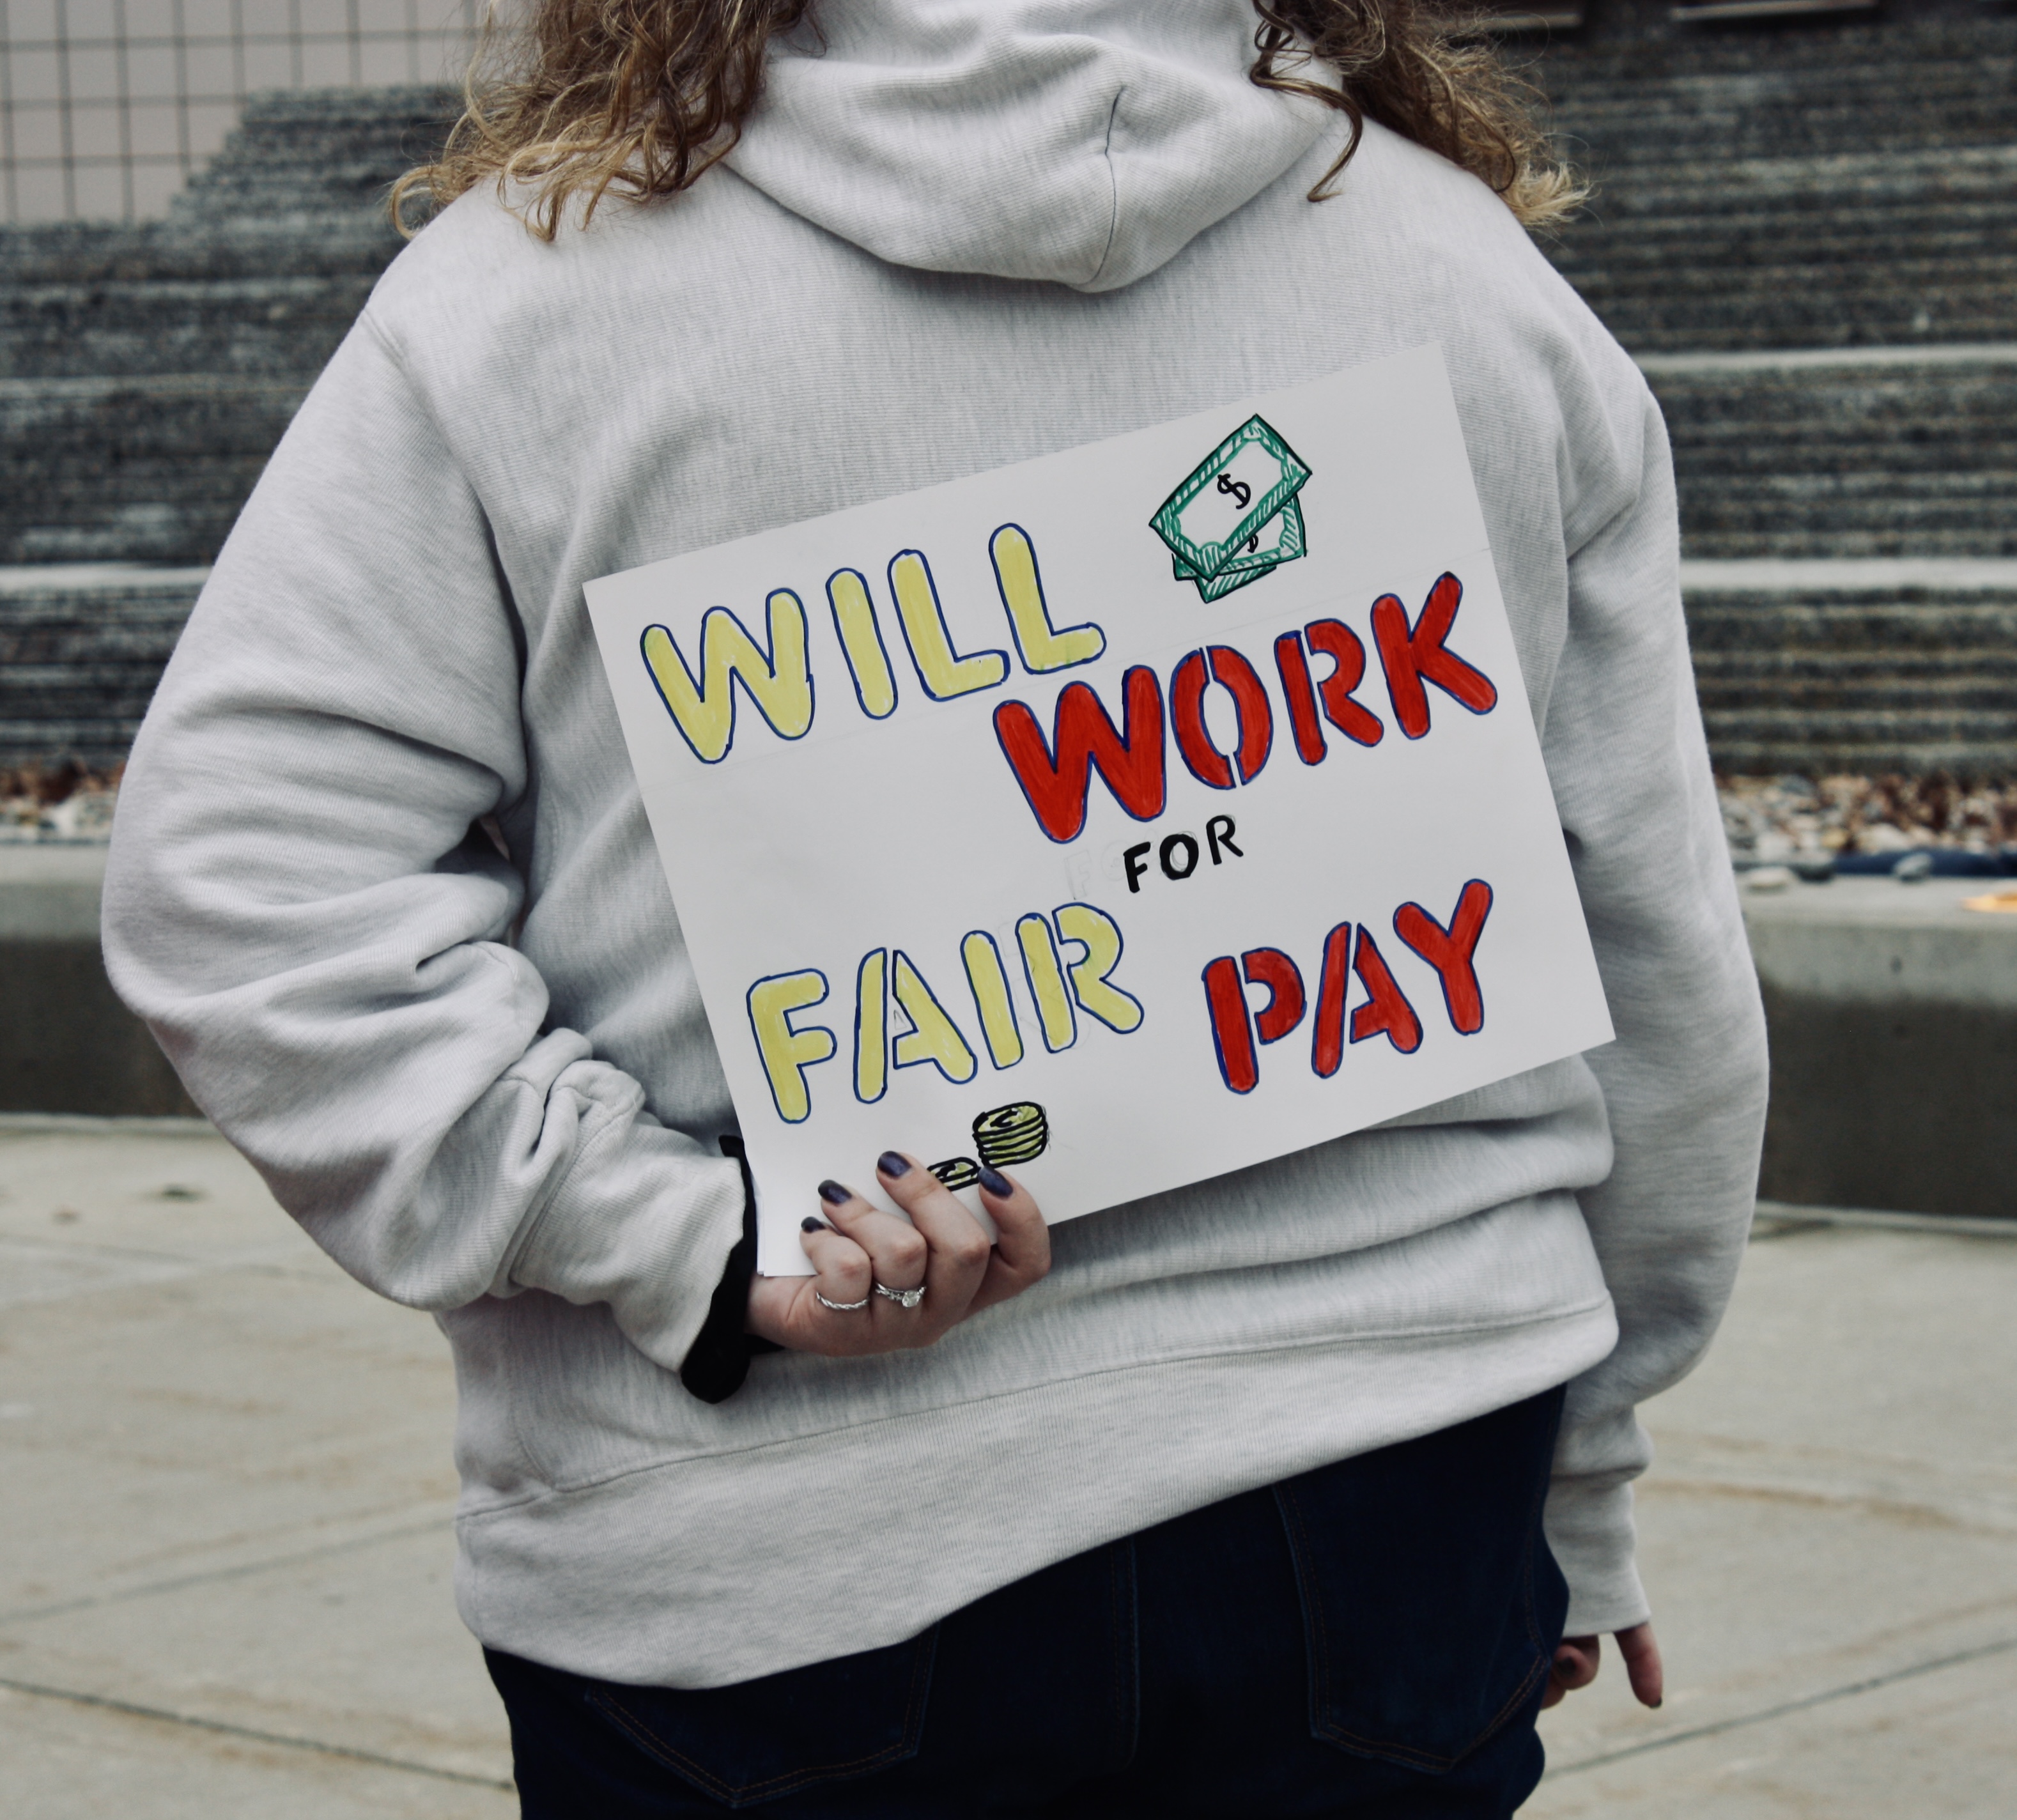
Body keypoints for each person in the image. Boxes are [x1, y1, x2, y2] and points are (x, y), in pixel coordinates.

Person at [102, 1, 1768, 1813]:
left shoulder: (523, 297)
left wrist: (681, 1238)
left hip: (775, 1576)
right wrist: (1584, 1471)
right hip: (1394, 1493)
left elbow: (240, 889)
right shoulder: (1464, 276)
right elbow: (1660, 954)